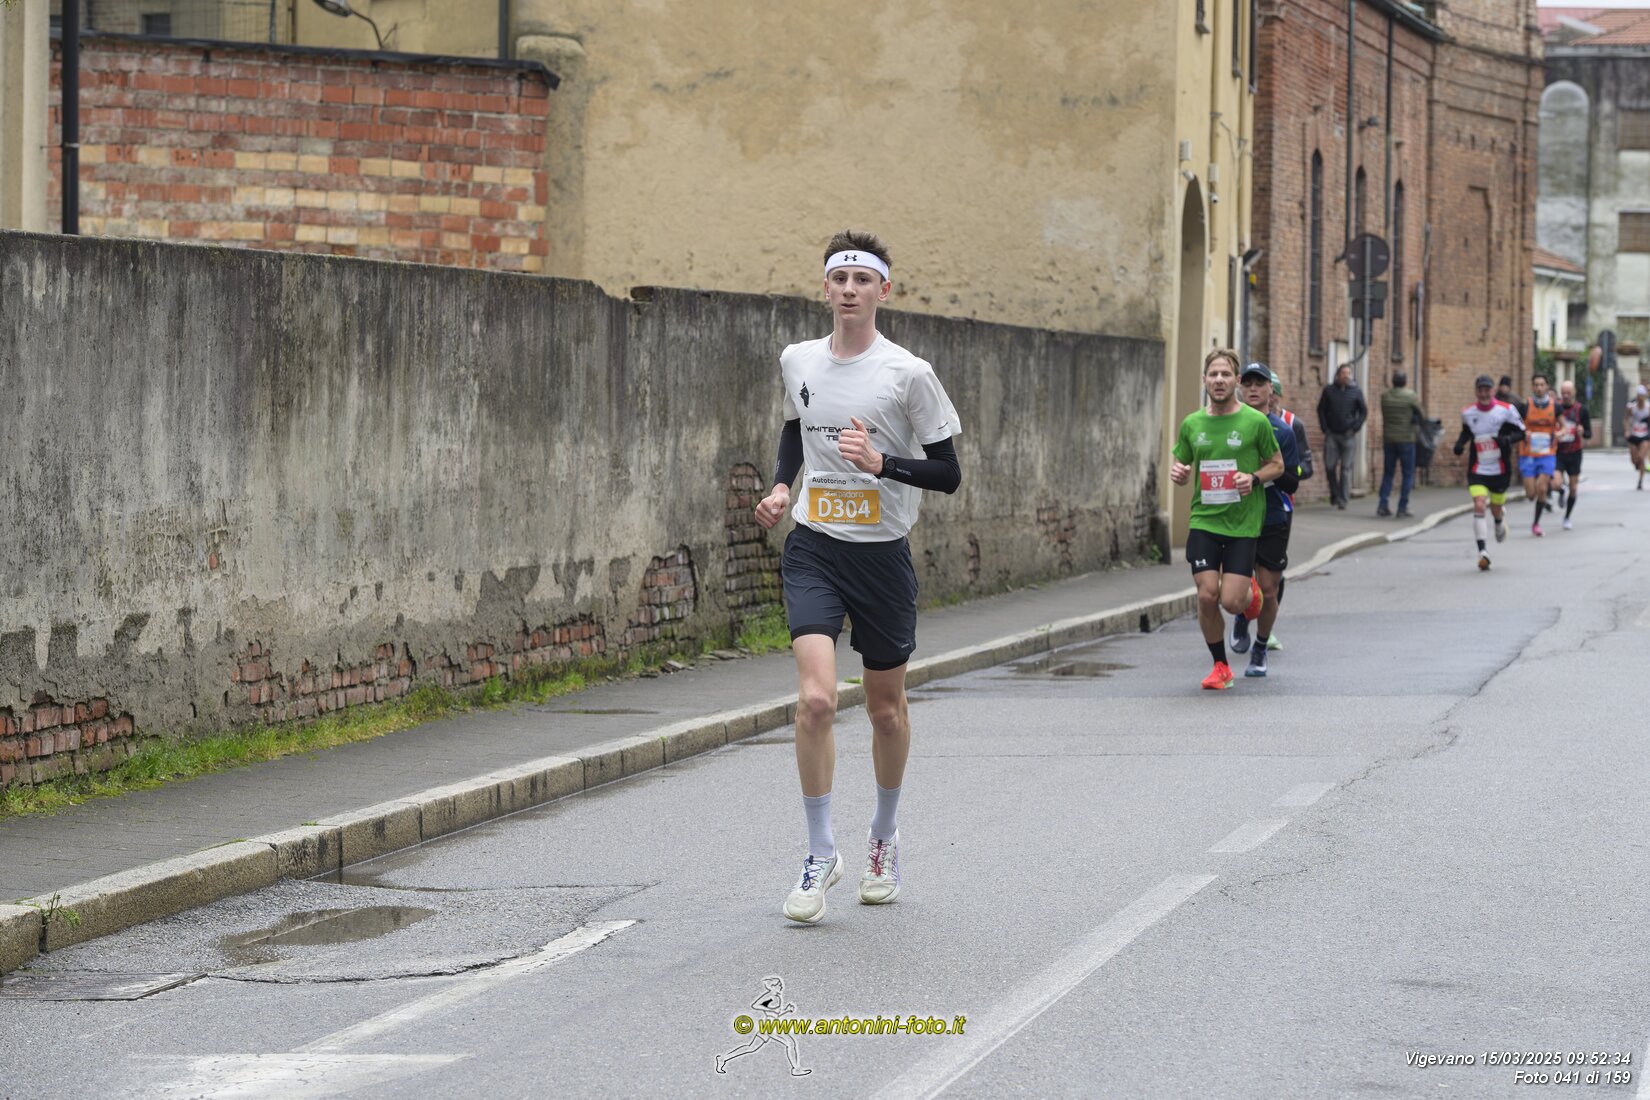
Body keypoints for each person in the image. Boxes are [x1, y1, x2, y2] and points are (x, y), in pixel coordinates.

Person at [754, 231, 963, 923]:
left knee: (884, 710)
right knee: (815, 701)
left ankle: (883, 836)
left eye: (862, 280)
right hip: (814, 546)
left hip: (881, 557)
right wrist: (781, 487)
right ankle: (820, 853)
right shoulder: (797, 359)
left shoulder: (908, 373)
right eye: (839, 279)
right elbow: (795, 427)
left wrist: (882, 465)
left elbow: (948, 473)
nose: (849, 290)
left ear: (883, 291)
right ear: (825, 289)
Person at [1170, 349, 1283, 689]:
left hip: (1242, 524)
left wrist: (1254, 478)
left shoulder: (1255, 422)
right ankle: (1220, 667)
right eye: (1213, 374)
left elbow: (1277, 464)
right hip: (1204, 521)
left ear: (1236, 380)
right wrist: (1179, 473)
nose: (1219, 380)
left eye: (1225, 374)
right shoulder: (1192, 423)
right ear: (1204, 380)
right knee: (1207, 596)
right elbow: (1182, 464)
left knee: (1233, 602)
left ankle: (1250, 594)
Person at [1229, 364, 1300, 678]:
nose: (1254, 389)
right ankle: (1242, 615)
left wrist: (1264, 471)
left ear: (1271, 390)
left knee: (1269, 590)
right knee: (1238, 587)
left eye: (1261, 383)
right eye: (1248, 384)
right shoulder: (1227, 425)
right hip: (1235, 517)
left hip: (1271, 516)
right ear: (1240, 387)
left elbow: (1292, 483)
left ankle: (1260, 647)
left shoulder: (1282, 431)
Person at [1453, 374, 1525, 571]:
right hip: (1478, 469)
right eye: (1480, 390)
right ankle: (1482, 552)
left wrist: (1507, 440)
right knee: (1479, 503)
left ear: (1493, 391)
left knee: (1495, 508)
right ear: (1476, 392)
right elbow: (1467, 431)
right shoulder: (1468, 413)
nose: (1484, 394)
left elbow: (1522, 432)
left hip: (1500, 470)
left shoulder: (1506, 410)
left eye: (1487, 390)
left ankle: (1499, 520)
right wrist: (1460, 444)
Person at [1267, 378, 1311, 652]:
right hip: (1247, 503)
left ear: (1277, 395)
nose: (1268, 396)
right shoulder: (1241, 419)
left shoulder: (1292, 424)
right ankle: (1244, 616)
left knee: (1275, 571)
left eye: (1273, 392)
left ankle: (1267, 627)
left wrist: (1285, 470)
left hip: (1282, 504)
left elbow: (1307, 466)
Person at [1317, 363, 1367, 509]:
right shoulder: (1329, 390)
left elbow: (1363, 412)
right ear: (1338, 375)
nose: (1346, 376)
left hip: (1348, 435)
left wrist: (1355, 427)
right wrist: (1325, 428)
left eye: (1348, 373)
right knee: (1330, 466)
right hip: (1332, 434)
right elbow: (1321, 409)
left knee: (1345, 468)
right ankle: (1335, 493)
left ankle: (1343, 499)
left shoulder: (1356, 391)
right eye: (1343, 373)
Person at [1377, 370, 1424, 517]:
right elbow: (1422, 414)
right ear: (1405, 381)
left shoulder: (1385, 396)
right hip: (1406, 439)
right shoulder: (1410, 396)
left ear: (1392, 381)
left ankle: (1382, 504)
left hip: (1389, 439)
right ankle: (1402, 507)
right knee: (1408, 474)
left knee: (1388, 473)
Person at [1519, 373, 1560, 536]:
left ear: (1547, 386)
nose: (1539, 388)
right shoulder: (1525, 406)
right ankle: (1535, 493)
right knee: (1531, 495)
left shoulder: (1555, 407)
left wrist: (1560, 433)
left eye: (1542, 384)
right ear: (1533, 387)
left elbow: (1563, 426)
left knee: (1542, 488)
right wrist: (1523, 432)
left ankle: (1536, 523)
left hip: (1547, 453)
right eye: (1536, 385)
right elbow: (1517, 425)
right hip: (1528, 453)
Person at [1554, 379, 1591, 529]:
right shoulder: (1555, 408)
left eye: (1568, 393)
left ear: (1574, 393)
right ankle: (1561, 489)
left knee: (1574, 488)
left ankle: (1567, 517)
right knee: (1555, 483)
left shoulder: (1581, 410)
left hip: (1575, 453)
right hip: (1558, 452)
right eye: (1563, 393)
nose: (1566, 396)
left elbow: (1589, 433)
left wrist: (1583, 431)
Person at [1627, 385, 1650, 490]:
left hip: (1645, 435)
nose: (1640, 397)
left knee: (1641, 457)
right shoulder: (1632, 407)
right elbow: (1625, 419)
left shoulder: (1648, 407)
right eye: (1639, 395)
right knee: (1634, 459)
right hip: (1634, 435)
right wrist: (1626, 430)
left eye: (1642, 395)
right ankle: (1637, 464)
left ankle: (1640, 481)